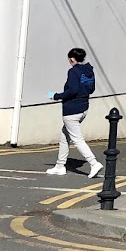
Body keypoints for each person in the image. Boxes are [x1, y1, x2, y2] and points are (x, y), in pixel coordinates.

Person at [45, 47, 102, 178]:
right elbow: (91, 89)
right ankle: (60, 166)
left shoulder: (73, 71)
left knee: (77, 139)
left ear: (72, 59)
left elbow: (72, 91)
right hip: (83, 108)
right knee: (65, 136)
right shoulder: (89, 71)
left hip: (72, 110)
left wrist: (55, 96)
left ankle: (94, 163)